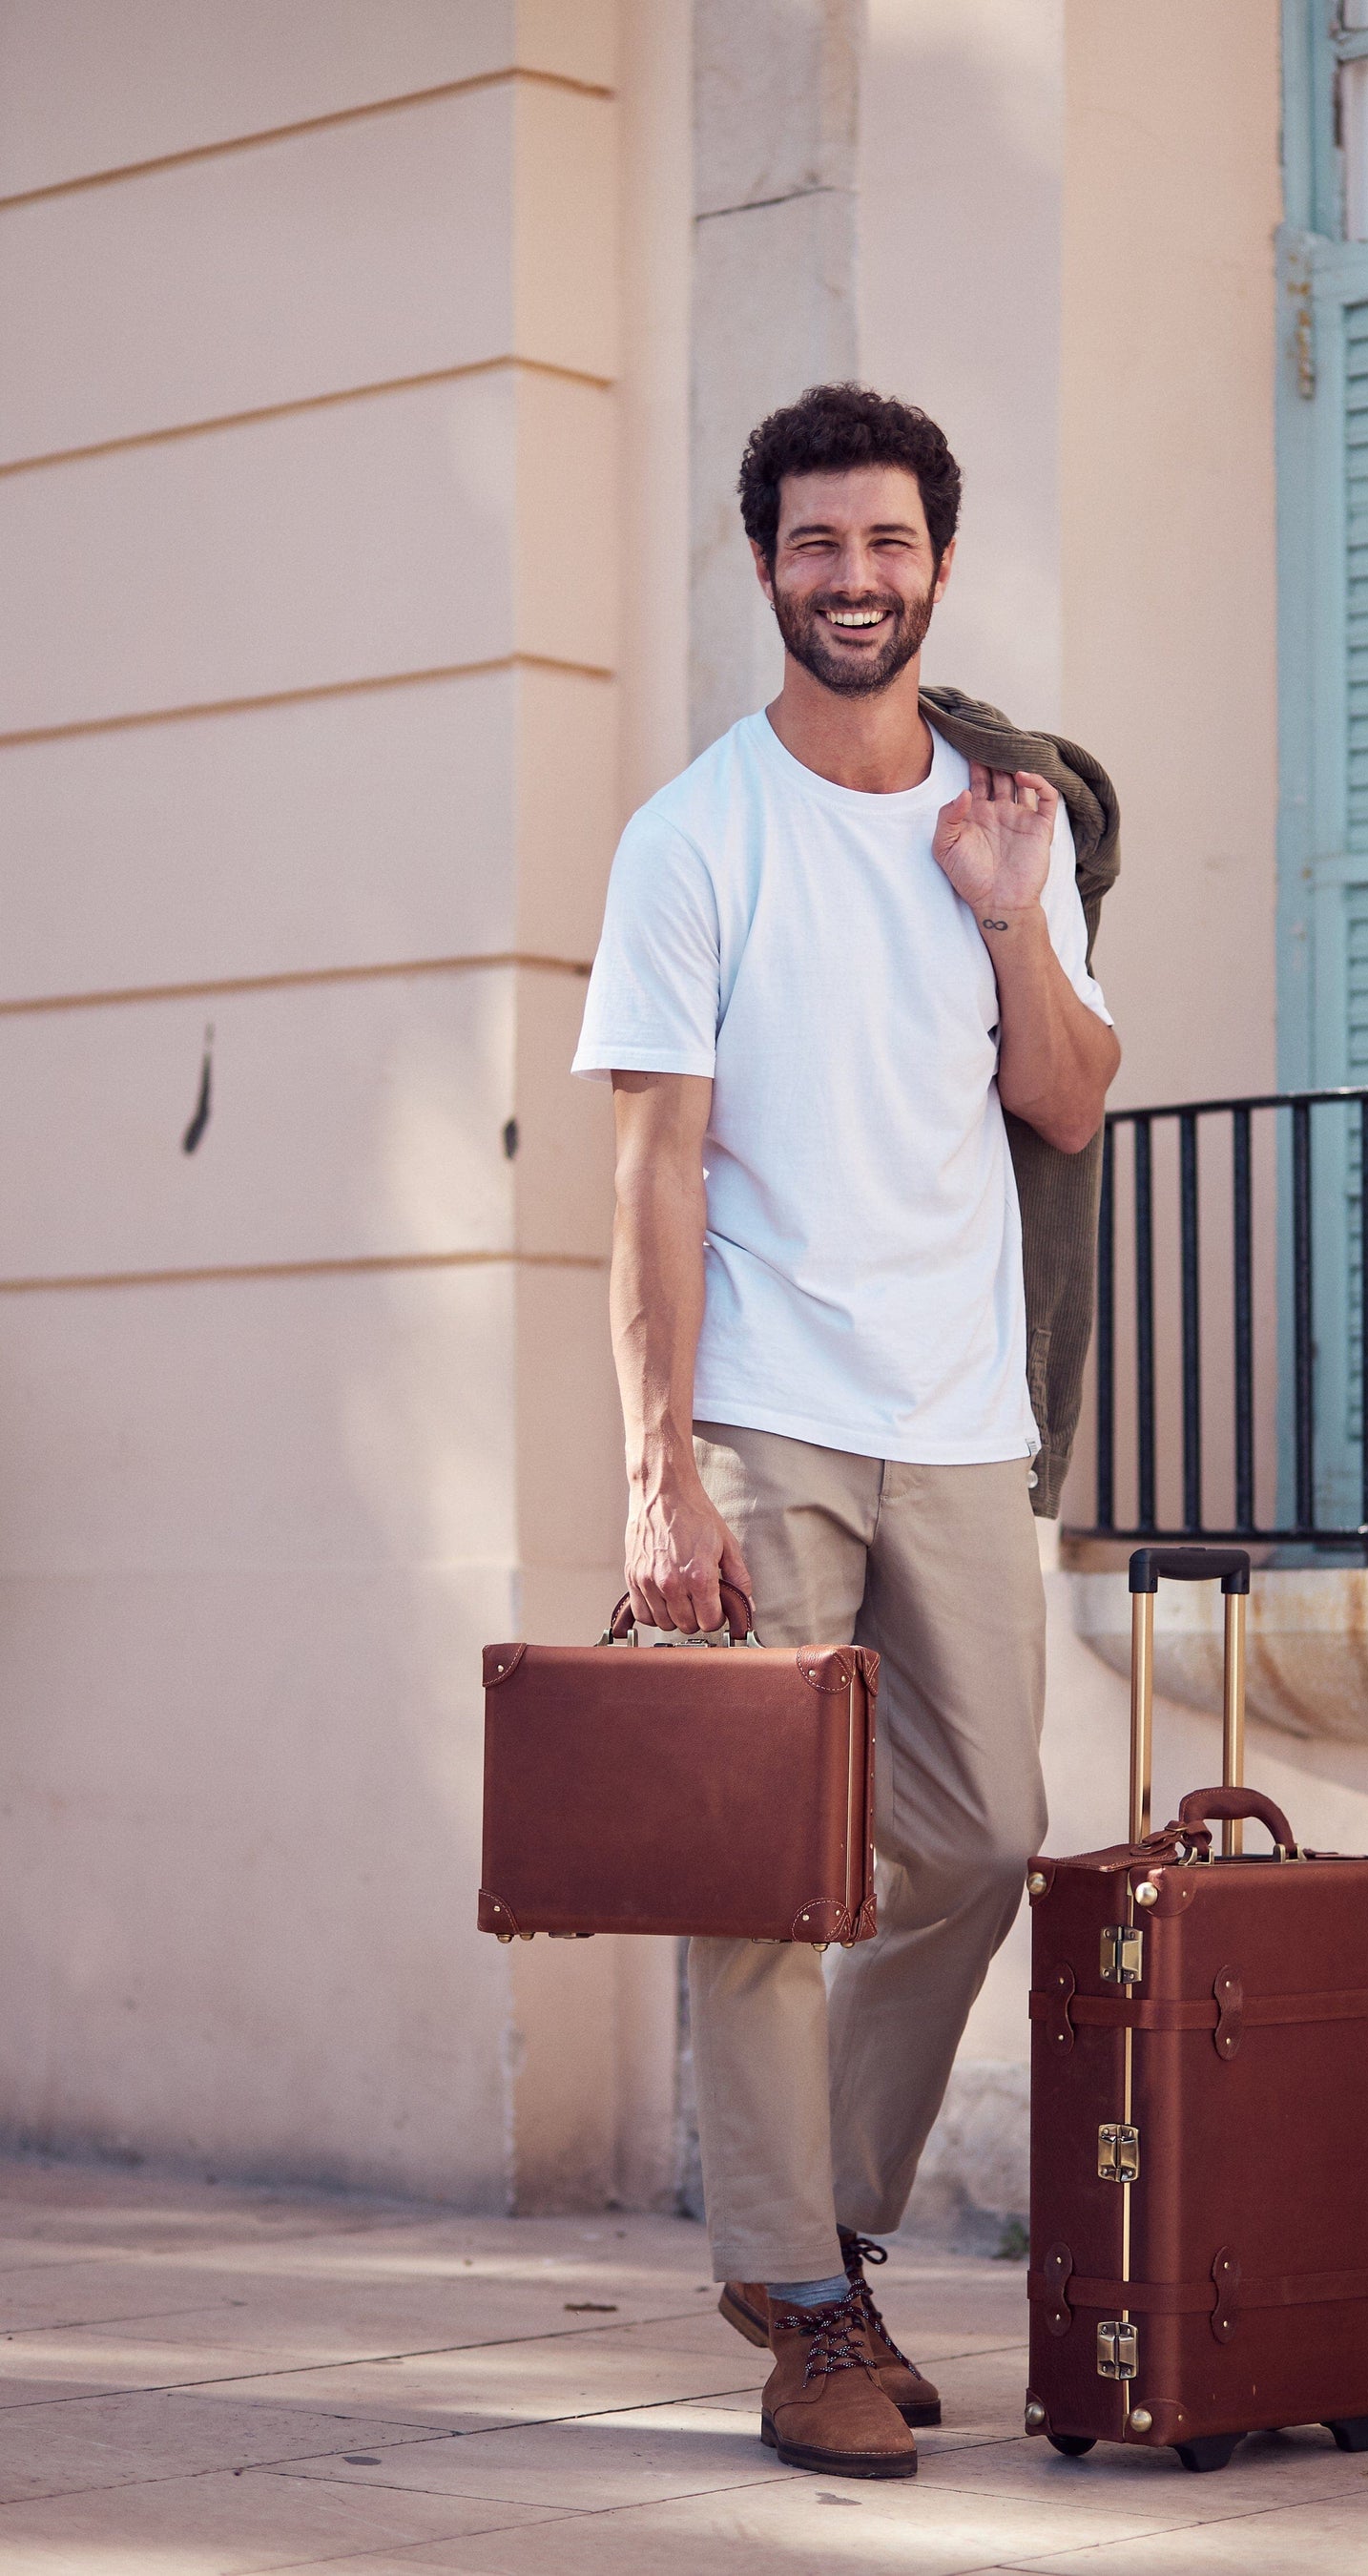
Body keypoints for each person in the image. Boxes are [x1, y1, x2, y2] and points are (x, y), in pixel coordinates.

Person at [573, 383, 1120, 2480]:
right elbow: (653, 1168)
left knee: (979, 1839)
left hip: (964, 1416)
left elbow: (1066, 1098)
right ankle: (803, 2300)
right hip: (768, 1419)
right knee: (761, 1879)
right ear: (768, 567)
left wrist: (1000, 898)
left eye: (887, 544)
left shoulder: (1014, 819)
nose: (855, 578)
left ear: (939, 565)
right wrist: (660, 1462)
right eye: (818, 545)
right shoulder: (694, 835)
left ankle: (827, 2234)